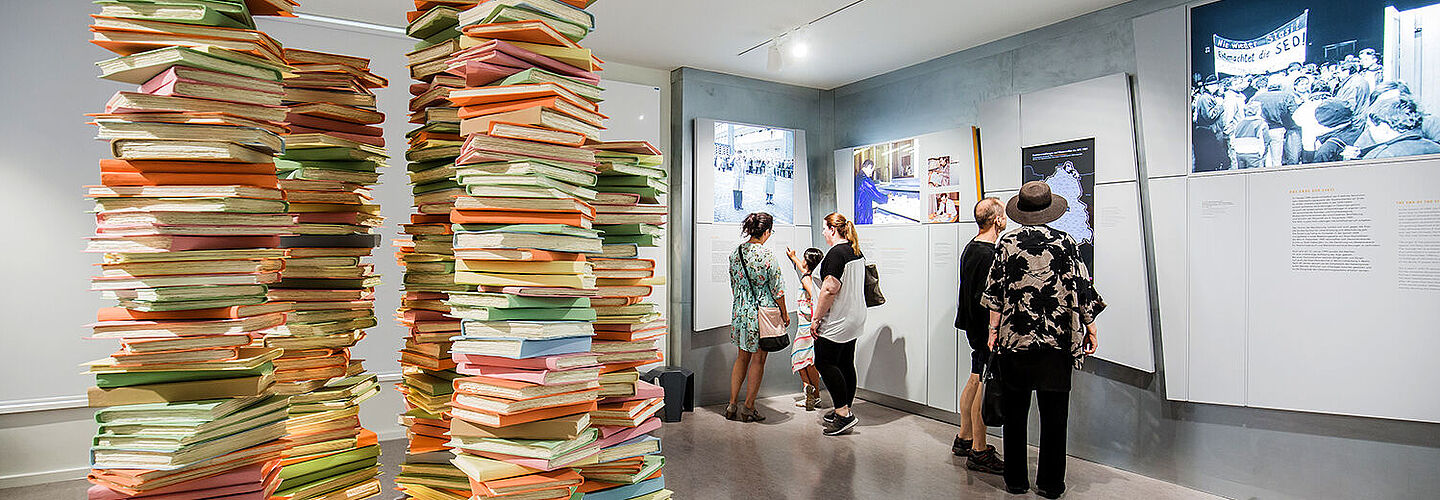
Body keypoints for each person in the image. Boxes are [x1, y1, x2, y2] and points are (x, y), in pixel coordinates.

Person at [981, 181, 1105, 499]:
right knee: (1054, 418)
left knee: (1015, 415)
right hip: (1057, 343)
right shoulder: (1066, 243)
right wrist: (1090, 326)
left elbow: (995, 294)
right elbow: (1081, 289)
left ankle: (1016, 481)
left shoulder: (1007, 243)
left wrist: (993, 331)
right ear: (1050, 210)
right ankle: (1050, 484)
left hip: (1016, 341)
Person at [951, 197, 1006, 475]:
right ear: (997, 220)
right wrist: (993, 331)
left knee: (975, 376)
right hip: (985, 328)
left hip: (973, 324)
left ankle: (964, 437)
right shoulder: (989, 254)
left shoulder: (972, 247)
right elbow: (989, 298)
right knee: (985, 381)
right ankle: (979, 450)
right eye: (1003, 214)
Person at [725, 212, 789, 422]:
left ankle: (732, 405)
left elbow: (734, 285)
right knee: (758, 360)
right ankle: (749, 407)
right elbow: (778, 290)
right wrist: (784, 313)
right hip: (762, 313)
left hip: (741, 312)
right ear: (767, 232)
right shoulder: (767, 255)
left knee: (741, 357)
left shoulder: (736, 253)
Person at [810, 213, 869, 436]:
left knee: (824, 362)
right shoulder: (855, 250)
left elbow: (829, 289)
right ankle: (844, 408)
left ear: (833, 230)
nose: (823, 232)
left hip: (838, 320)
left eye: (825, 228)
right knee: (845, 363)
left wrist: (816, 318)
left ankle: (843, 414)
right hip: (855, 318)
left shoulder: (836, 254)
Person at [785, 246, 827, 411]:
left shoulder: (807, 280)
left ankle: (813, 393)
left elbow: (816, 296)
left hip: (807, 325)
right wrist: (793, 257)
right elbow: (804, 270)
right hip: (809, 325)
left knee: (803, 359)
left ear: (808, 262)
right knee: (805, 359)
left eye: (803, 258)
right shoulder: (813, 277)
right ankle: (810, 391)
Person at [1361, 95, 1440, 159]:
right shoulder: (1436, 148)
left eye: (1369, 126)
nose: (1369, 131)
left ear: (1384, 127)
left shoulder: (1380, 156)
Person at [1231, 99, 1271, 169]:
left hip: (1239, 153)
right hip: (1254, 154)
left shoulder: (1239, 124)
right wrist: (1263, 156)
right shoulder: (1261, 124)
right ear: (1258, 111)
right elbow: (1266, 141)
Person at [854, 159, 889, 225]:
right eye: (872, 170)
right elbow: (876, 195)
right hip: (863, 213)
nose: (871, 173)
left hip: (858, 210)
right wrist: (886, 198)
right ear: (869, 167)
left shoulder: (857, 177)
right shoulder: (865, 180)